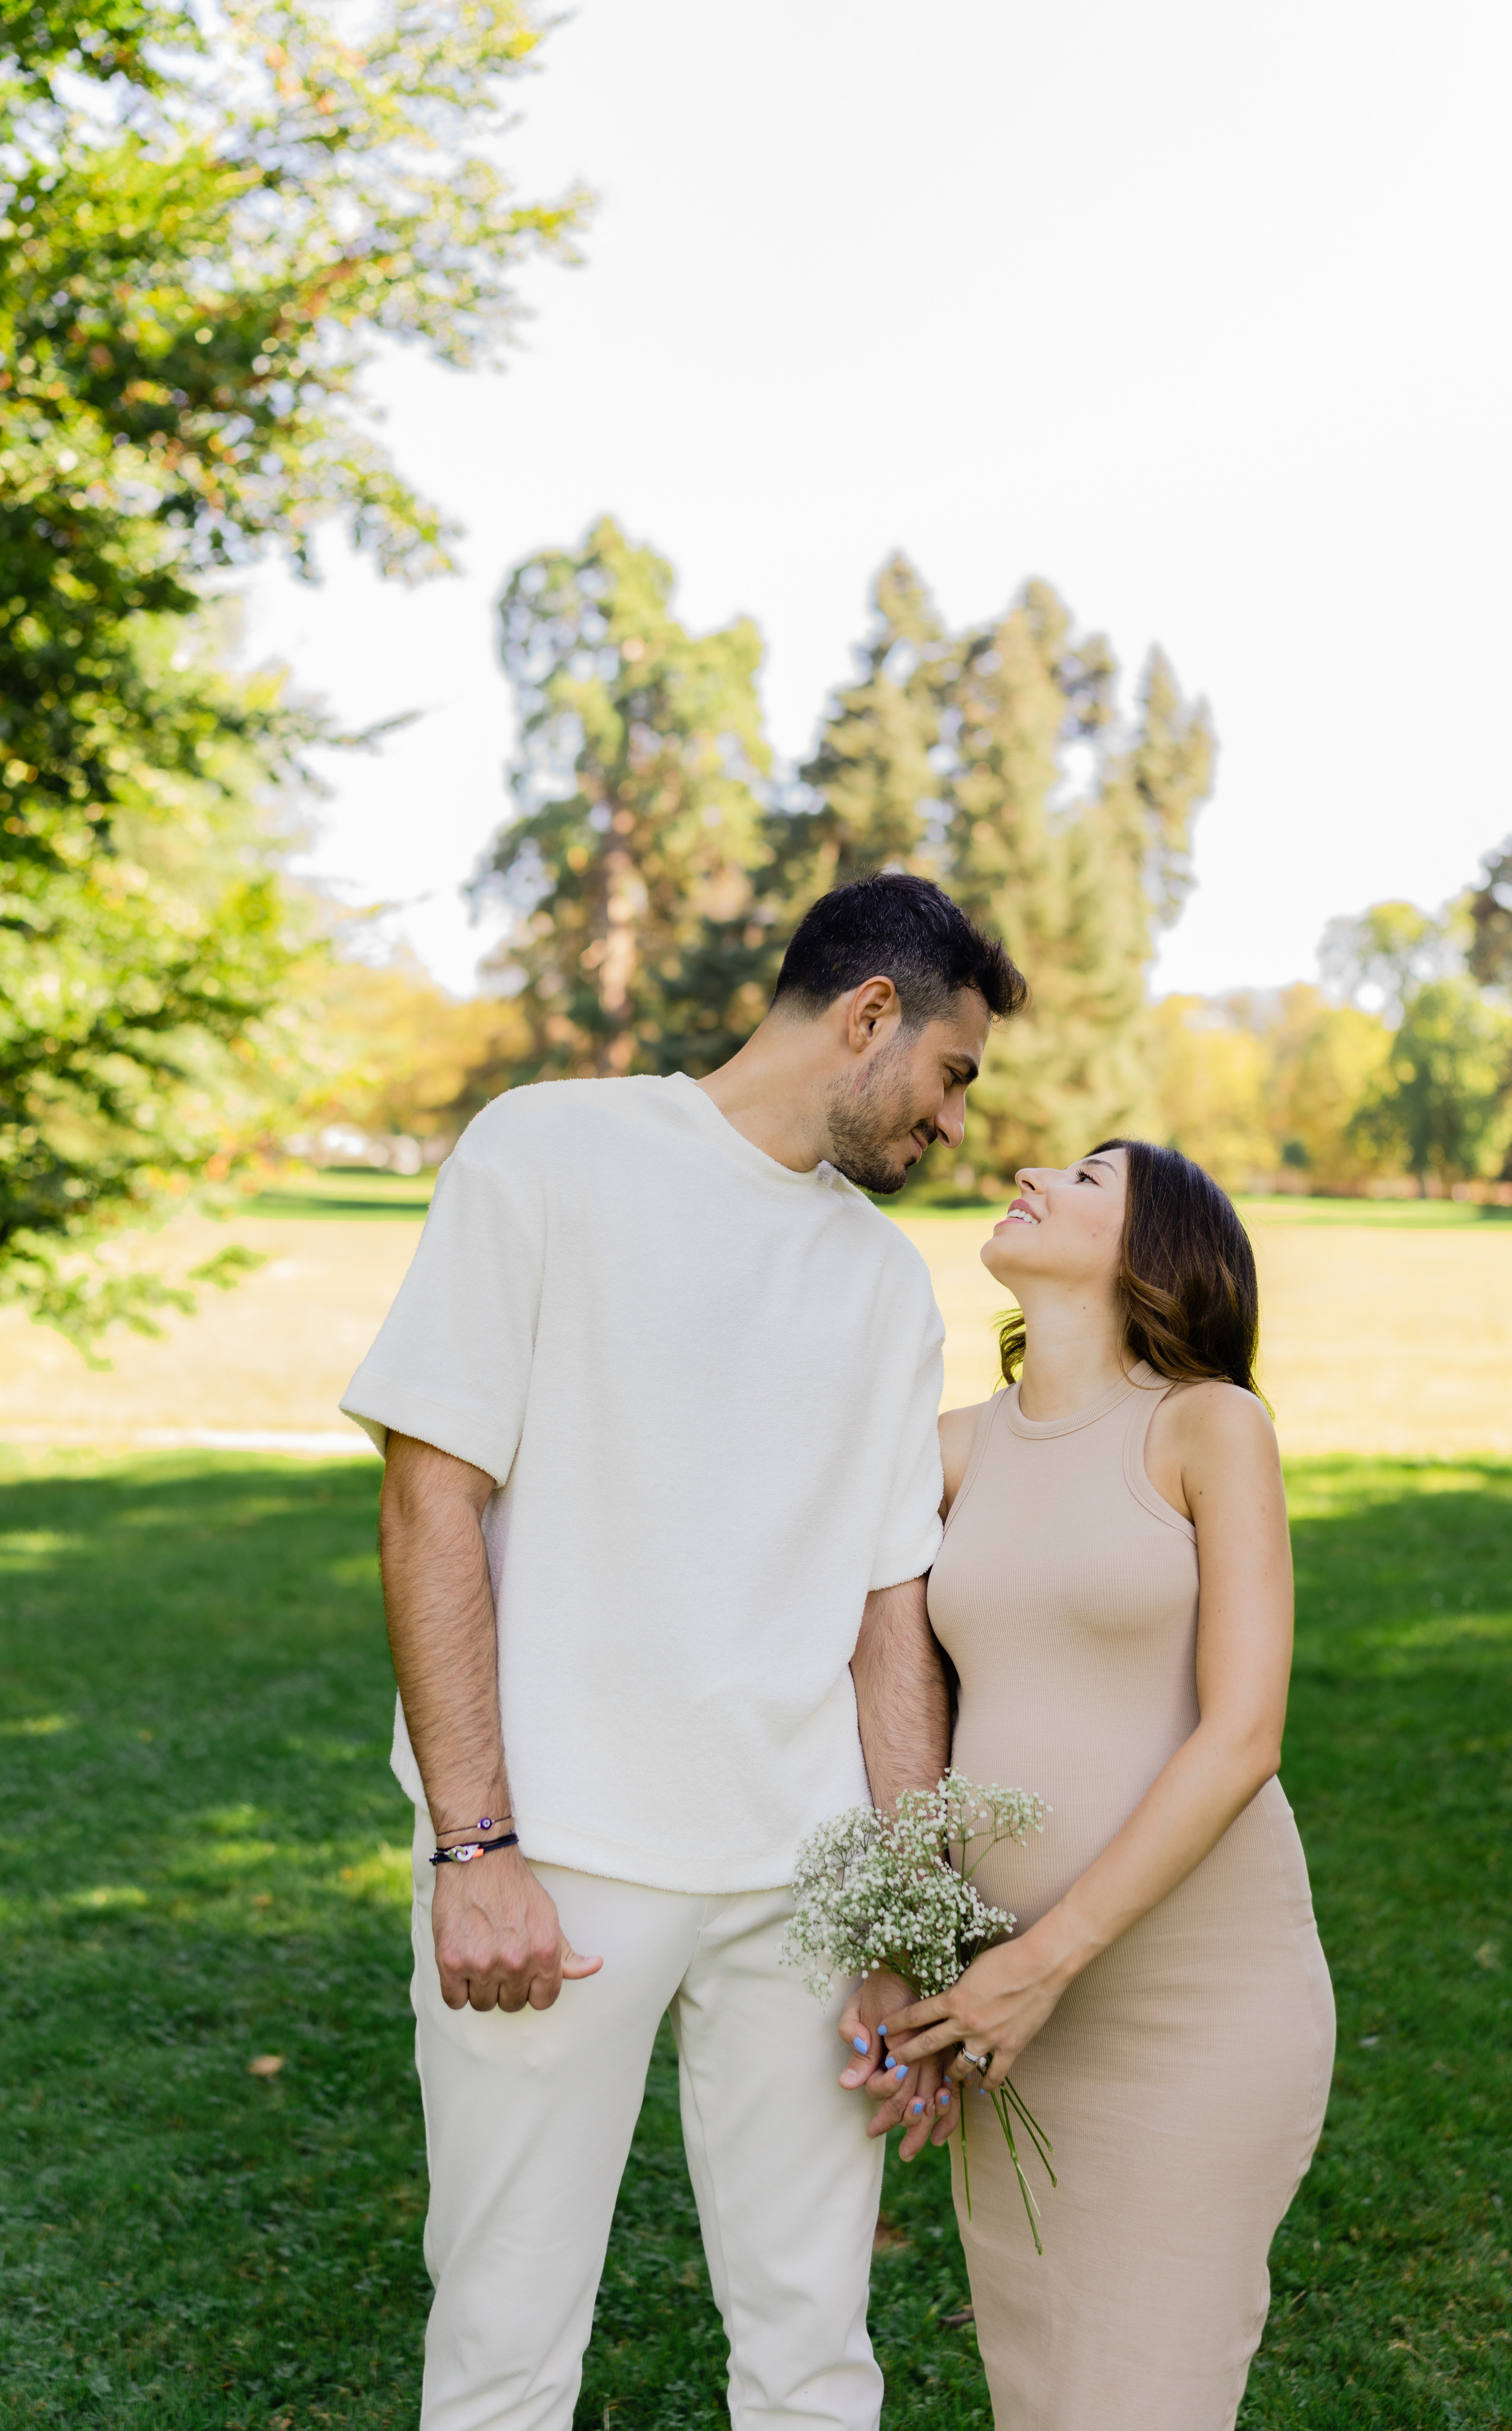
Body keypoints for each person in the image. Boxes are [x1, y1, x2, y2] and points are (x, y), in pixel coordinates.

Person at [339, 872, 1027, 2431]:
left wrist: (896, 1916)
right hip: (556, 1869)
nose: (952, 1122)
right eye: (950, 1074)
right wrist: (475, 1849)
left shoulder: (880, 1279)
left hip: (803, 1886)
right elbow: (429, 1496)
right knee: (505, 2345)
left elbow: (889, 1619)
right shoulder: (546, 1149)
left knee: (813, 2351)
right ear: (868, 1015)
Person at [872, 1139, 1335, 2431]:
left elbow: (1243, 1736)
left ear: (1153, 1251)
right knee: (1045, 2391)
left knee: (1146, 2395)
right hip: (1008, 2026)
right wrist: (923, 1951)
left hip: (1191, 2005)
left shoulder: (1208, 1425)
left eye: (1086, 1178)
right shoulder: (948, 1450)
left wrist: (1045, 1959)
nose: (1032, 1172)